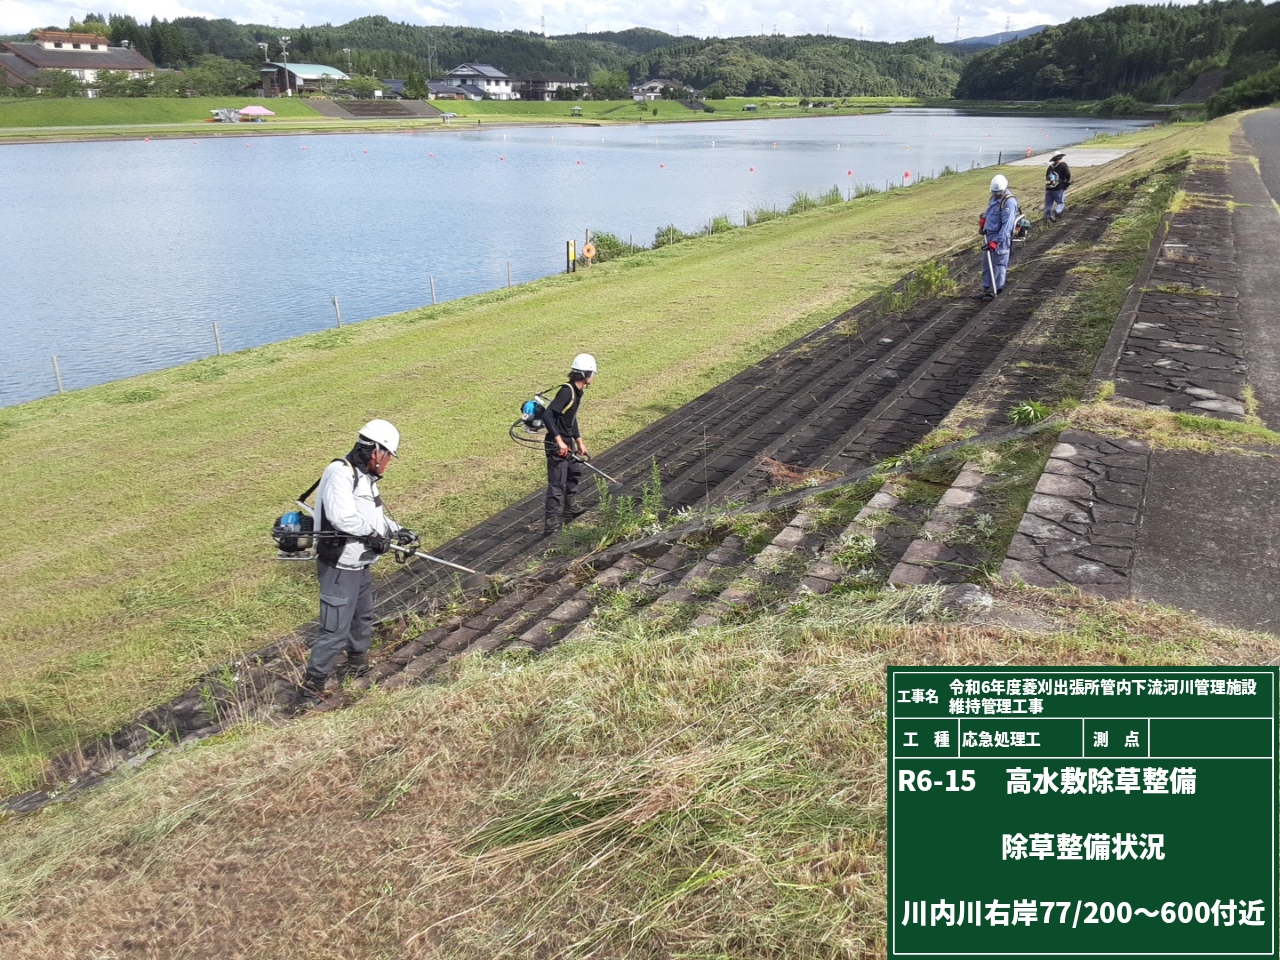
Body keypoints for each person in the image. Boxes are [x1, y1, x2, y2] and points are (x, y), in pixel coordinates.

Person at [298, 419, 416, 702]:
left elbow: (374, 515)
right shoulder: (340, 472)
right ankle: (310, 689)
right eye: (388, 457)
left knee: (363, 617)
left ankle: (357, 665)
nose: (388, 463)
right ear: (376, 451)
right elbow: (342, 517)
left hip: (360, 564)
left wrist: (396, 530)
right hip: (339, 565)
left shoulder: (365, 477)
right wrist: (373, 535)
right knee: (335, 629)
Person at [543, 353, 597, 536]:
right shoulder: (567, 391)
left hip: (568, 442)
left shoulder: (577, 392)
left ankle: (570, 508)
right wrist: (559, 442)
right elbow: (548, 415)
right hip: (557, 444)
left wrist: (579, 441)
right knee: (557, 484)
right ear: (586, 374)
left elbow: (570, 419)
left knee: (575, 470)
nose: (593, 377)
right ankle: (550, 525)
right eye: (593, 374)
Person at [979, 174, 1019, 299]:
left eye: (998, 193)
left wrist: (996, 241)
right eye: (994, 193)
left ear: (1004, 189)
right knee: (987, 263)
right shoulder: (993, 198)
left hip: (1000, 237)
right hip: (989, 234)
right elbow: (989, 212)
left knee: (999, 263)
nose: (996, 195)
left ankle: (997, 288)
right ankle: (987, 288)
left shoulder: (1009, 202)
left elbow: (1007, 226)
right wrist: (983, 222)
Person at [1044, 153, 1071, 222]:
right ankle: (1054, 213)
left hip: (1049, 188)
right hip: (1058, 188)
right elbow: (1068, 174)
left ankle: (1047, 218)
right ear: (1061, 157)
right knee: (1060, 203)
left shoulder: (1050, 167)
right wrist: (1067, 182)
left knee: (1048, 204)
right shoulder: (1063, 165)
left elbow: (1047, 176)